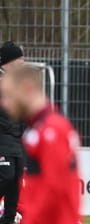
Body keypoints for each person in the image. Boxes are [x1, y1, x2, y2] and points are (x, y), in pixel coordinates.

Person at [0, 64, 81, 224]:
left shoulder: (51, 130)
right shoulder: (38, 129)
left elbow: (54, 192)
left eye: (8, 96)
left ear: (27, 89)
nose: (4, 104)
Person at [0, 41, 25, 224]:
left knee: (15, 184)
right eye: (20, 58)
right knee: (6, 177)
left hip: (17, 140)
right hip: (3, 139)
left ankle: (8, 221)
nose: (23, 62)